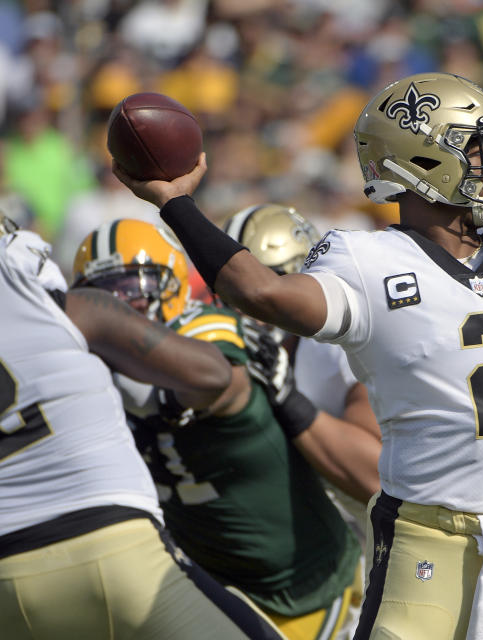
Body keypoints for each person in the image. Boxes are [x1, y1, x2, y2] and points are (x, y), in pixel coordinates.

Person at [113, 71, 483, 639]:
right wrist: (177, 204)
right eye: (478, 150)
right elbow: (260, 292)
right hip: (427, 545)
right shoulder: (365, 259)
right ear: (426, 162)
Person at [72, 218, 362, 640]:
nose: (118, 303)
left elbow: (219, 379)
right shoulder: (87, 360)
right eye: (102, 294)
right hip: (210, 579)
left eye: (132, 288)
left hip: (304, 587)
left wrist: (158, 401)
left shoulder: (202, 329)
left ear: (172, 283)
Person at [0, 215, 284, 640]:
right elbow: (209, 375)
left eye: (134, 285)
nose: (124, 298)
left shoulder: (197, 321)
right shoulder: (78, 313)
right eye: (110, 288)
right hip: (110, 541)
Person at [224, 202, 382, 640]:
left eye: (263, 285)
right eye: (232, 291)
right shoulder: (234, 346)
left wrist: (288, 400)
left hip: (378, 552)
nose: (248, 302)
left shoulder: (336, 344)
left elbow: (378, 475)